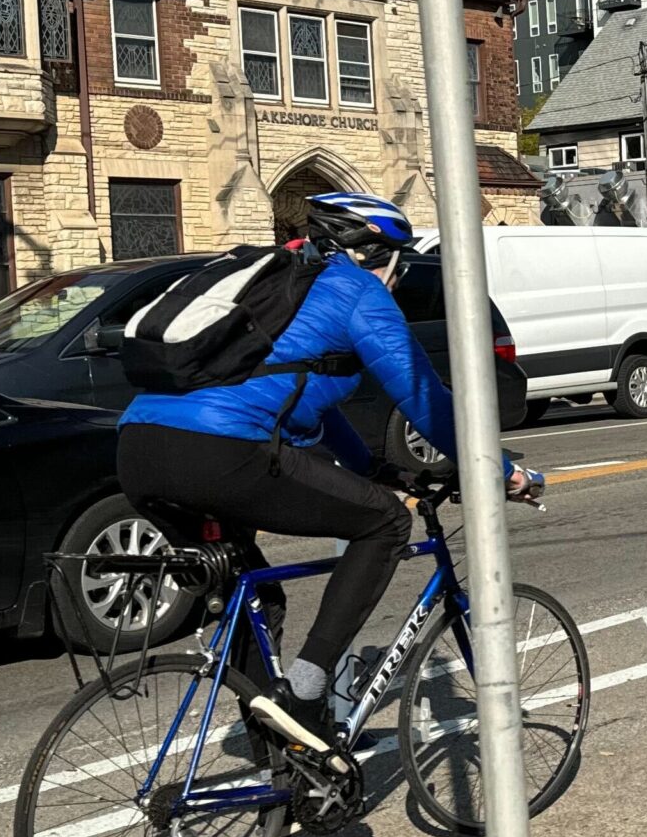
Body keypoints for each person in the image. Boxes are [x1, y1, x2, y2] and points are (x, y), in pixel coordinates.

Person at [117, 191, 541, 765]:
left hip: (140, 451)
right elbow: (425, 397)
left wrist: (372, 467)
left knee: (256, 595)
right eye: (399, 263)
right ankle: (306, 690)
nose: (396, 278)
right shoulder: (354, 288)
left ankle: (283, 767)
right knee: (386, 523)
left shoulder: (274, 286)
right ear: (378, 255)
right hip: (223, 450)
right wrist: (501, 470)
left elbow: (312, 400)